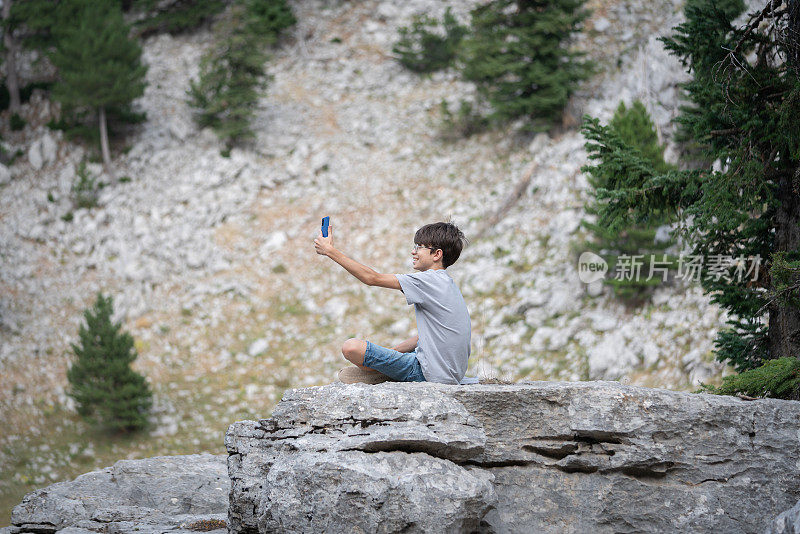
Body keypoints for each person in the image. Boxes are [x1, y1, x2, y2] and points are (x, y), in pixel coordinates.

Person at [314, 221, 472, 385]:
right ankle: (389, 368)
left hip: (429, 373)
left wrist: (330, 251)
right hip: (449, 373)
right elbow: (425, 337)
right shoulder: (447, 284)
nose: (413, 251)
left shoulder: (428, 280)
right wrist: (390, 355)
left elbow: (372, 278)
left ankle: (389, 372)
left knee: (351, 347)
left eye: (419, 247)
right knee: (381, 357)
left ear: (437, 254)